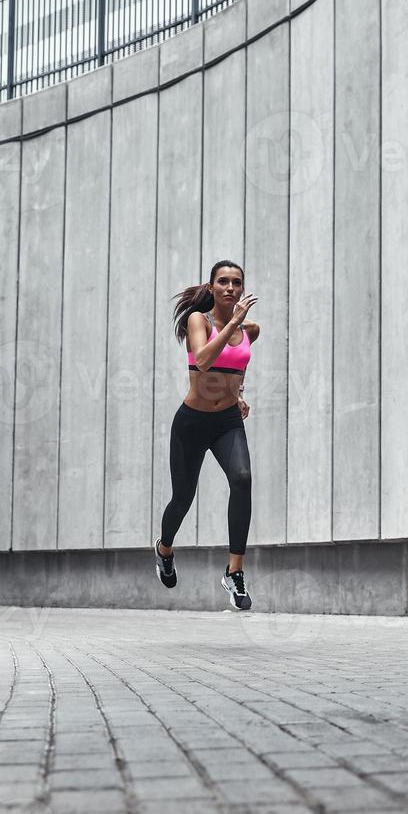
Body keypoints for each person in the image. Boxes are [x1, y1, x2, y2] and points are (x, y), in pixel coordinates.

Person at [154, 260, 259, 611]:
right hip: (192, 422)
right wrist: (232, 323)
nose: (230, 288)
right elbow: (202, 360)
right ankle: (165, 549)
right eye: (223, 282)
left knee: (242, 479)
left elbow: (236, 366)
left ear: (242, 289)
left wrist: (239, 394)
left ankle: (235, 571)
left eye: (237, 283)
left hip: (227, 421)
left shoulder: (250, 330)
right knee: (183, 499)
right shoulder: (198, 321)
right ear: (212, 287)